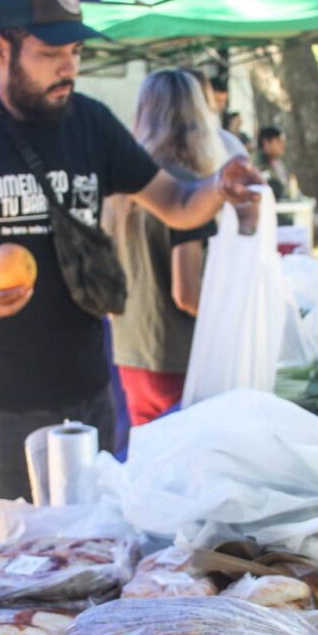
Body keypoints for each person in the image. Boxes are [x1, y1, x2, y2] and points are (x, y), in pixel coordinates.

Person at [0, 0, 262, 502]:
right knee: (10, 568)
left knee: (95, 556)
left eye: (76, 51)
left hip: (86, 396)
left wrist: (219, 185)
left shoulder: (91, 124)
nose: (70, 67)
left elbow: (175, 203)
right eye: (51, 53)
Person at [104, 69, 222, 425]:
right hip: (177, 358)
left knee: (149, 469)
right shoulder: (190, 190)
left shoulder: (123, 188)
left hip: (130, 354)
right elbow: (187, 293)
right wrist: (230, 315)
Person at [256, 125, 291, 201]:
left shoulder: (278, 163)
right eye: (278, 142)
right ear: (266, 142)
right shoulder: (256, 165)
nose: (282, 145)